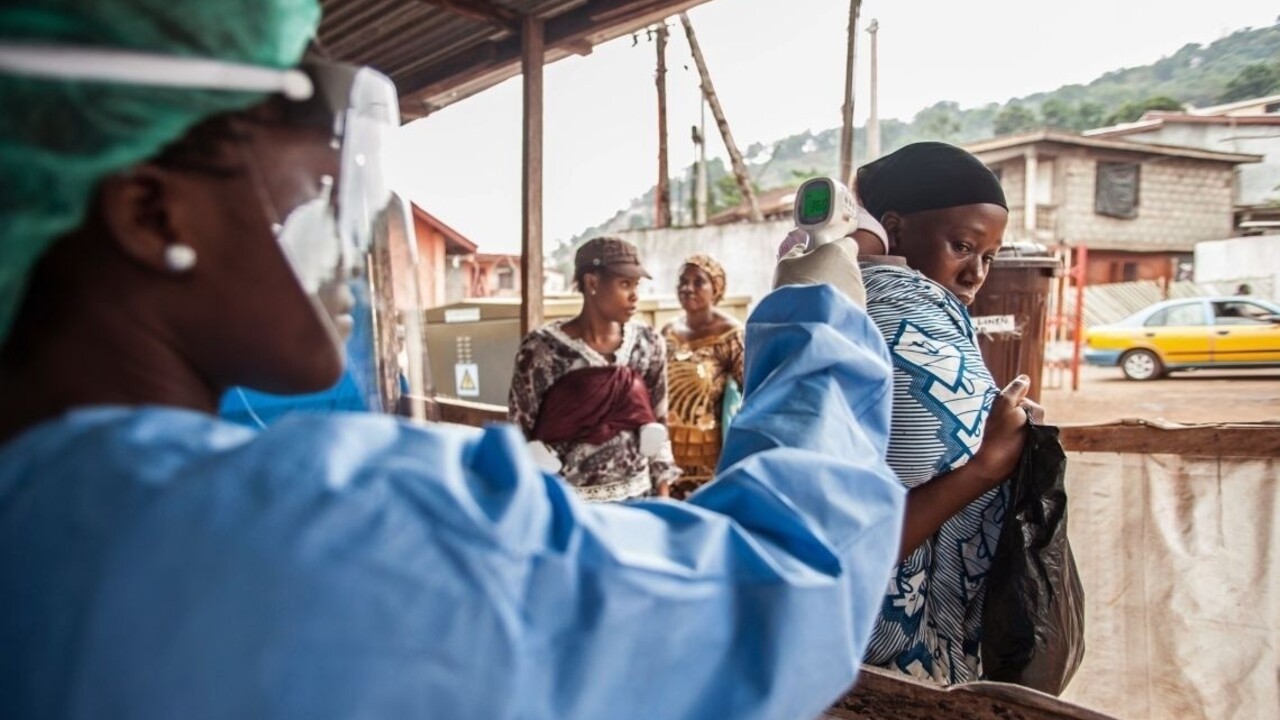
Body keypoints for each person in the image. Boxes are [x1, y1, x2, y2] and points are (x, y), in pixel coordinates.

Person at [0, 4, 907, 717]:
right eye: (300, 134)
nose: (343, 205)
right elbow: (779, 585)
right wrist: (821, 315)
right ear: (156, 212)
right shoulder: (314, 534)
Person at [852, 142, 1044, 685]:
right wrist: (987, 464)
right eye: (962, 246)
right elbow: (860, 540)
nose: (975, 273)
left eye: (989, 257)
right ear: (896, 228)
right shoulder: (896, 314)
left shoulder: (860, 306)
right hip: (880, 646)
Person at [508, 237, 680, 502]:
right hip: (569, 506)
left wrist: (664, 498)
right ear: (592, 283)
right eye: (625, 284)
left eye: (636, 285)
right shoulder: (542, 349)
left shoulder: (647, 343)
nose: (635, 295)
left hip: (637, 499)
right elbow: (521, 432)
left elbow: (658, 422)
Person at [660, 254, 745, 499]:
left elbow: (751, 392)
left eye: (698, 282)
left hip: (710, 456)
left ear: (716, 288)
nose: (688, 288)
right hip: (668, 453)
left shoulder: (732, 335)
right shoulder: (668, 331)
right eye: (682, 281)